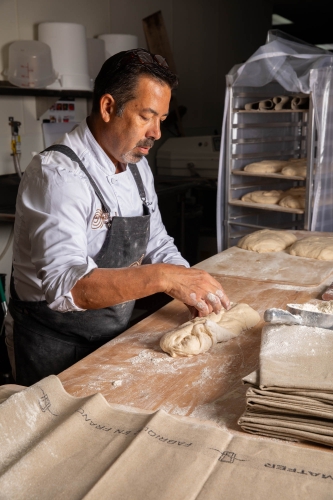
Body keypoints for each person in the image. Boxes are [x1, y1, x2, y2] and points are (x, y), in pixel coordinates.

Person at [6, 48, 230, 386]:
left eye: (162, 120)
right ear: (109, 107)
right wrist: (164, 278)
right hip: (50, 344)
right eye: (146, 116)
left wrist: (188, 285)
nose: (156, 132)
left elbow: (155, 239)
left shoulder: (135, 164)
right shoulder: (58, 175)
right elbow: (67, 285)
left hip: (110, 336)